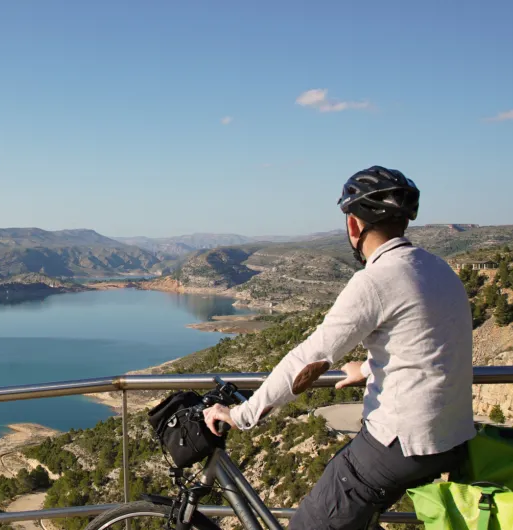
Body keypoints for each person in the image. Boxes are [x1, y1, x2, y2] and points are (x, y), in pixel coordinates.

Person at [203, 166, 475, 529]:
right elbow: (425, 340)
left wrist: (241, 415)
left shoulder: (375, 280)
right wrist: (364, 369)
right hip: (453, 437)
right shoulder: (439, 268)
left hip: (401, 442)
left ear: (353, 224)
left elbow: (308, 358)